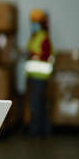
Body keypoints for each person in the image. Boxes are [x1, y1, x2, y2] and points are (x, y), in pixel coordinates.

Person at [25, 8, 54, 138]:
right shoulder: (34, 37)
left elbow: (47, 56)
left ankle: (35, 132)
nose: (33, 25)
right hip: (33, 76)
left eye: (35, 22)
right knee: (39, 105)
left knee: (37, 106)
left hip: (40, 78)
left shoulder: (44, 38)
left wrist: (33, 55)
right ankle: (43, 131)